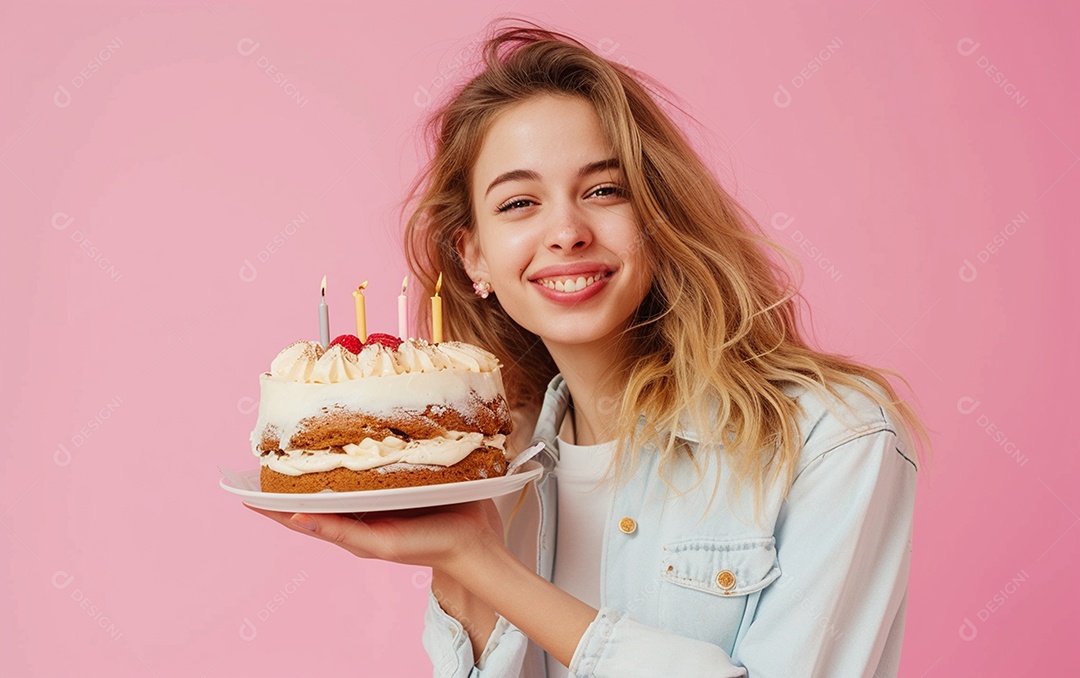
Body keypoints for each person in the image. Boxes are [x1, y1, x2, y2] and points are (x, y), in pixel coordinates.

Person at [248, 20, 933, 677]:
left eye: (604, 190)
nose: (567, 231)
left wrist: (481, 561)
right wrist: (459, 570)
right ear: (474, 257)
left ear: (658, 217)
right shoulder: (489, 471)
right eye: (519, 203)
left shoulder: (834, 439)